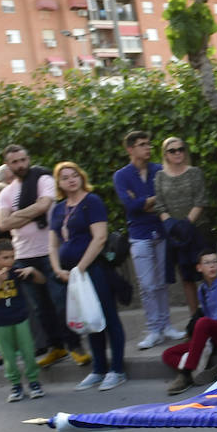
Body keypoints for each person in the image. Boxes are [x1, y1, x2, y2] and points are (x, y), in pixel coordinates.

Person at [0, 147, 89, 369]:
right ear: (8, 166)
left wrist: (16, 217)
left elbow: (45, 205)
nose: (20, 164)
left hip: (49, 252)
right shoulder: (5, 194)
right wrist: (31, 212)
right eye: (15, 162)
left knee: (60, 302)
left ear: (28, 159)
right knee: (40, 308)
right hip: (23, 257)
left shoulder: (43, 179)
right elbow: (2, 224)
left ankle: (75, 346)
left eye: (23, 159)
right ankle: (55, 347)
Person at [49, 161, 128, 392]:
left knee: (107, 317)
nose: (71, 180)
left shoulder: (91, 202)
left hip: (93, 270)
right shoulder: (58, 208)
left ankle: (117, 369)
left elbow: (100, 237)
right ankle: (98, 369)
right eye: (65, 177)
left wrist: (80, 268)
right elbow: (53, 244)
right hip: (71, 274)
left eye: (74, 175)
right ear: (59, 183)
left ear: (81, 177)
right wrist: (56, 269)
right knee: (89, 320)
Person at [114, 130, 184, 349]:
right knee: (147, 285)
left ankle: (166, 325)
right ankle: (154, 328)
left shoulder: (158, 170)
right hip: (139, 235)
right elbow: (130, 206)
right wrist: (150, 202)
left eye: (149, 144)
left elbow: (167, 198)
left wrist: (144, 202)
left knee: (162, 281)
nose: (148, 148)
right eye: (142, 144)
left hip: (161, 231)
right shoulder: (121, 175)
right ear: (130, 149)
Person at [162, 250, 217, 397]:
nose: (212, 266)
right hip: (209, 335)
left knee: (203, 322)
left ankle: (186, 374)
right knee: (168, 354)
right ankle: (202, 373)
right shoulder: (202, 290)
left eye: (215, 262)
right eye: (207, 263)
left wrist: (212, 325)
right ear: (199, 268)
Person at [0, 238, 44, 402]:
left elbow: (41, 280)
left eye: (12, 257)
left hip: (20, 318)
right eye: (5, 258)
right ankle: (16, 385)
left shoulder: (16, 271)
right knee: (8, 357)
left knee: (28, 352)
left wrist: (32, 271)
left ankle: (34, 382)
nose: (10, 261)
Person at [155, 136, 209, 315]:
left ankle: (215, 316)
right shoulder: (160, 176)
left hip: (197, 230)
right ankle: (195, 319)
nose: (177, 153)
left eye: (181, 149)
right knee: (187, 278)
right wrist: (171, 223)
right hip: (176, 236)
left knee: (208, 273)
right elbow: (160, 205)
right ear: (166, 154)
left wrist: (187, 223)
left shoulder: (195, 172)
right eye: (172, 150)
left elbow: (201, 200)